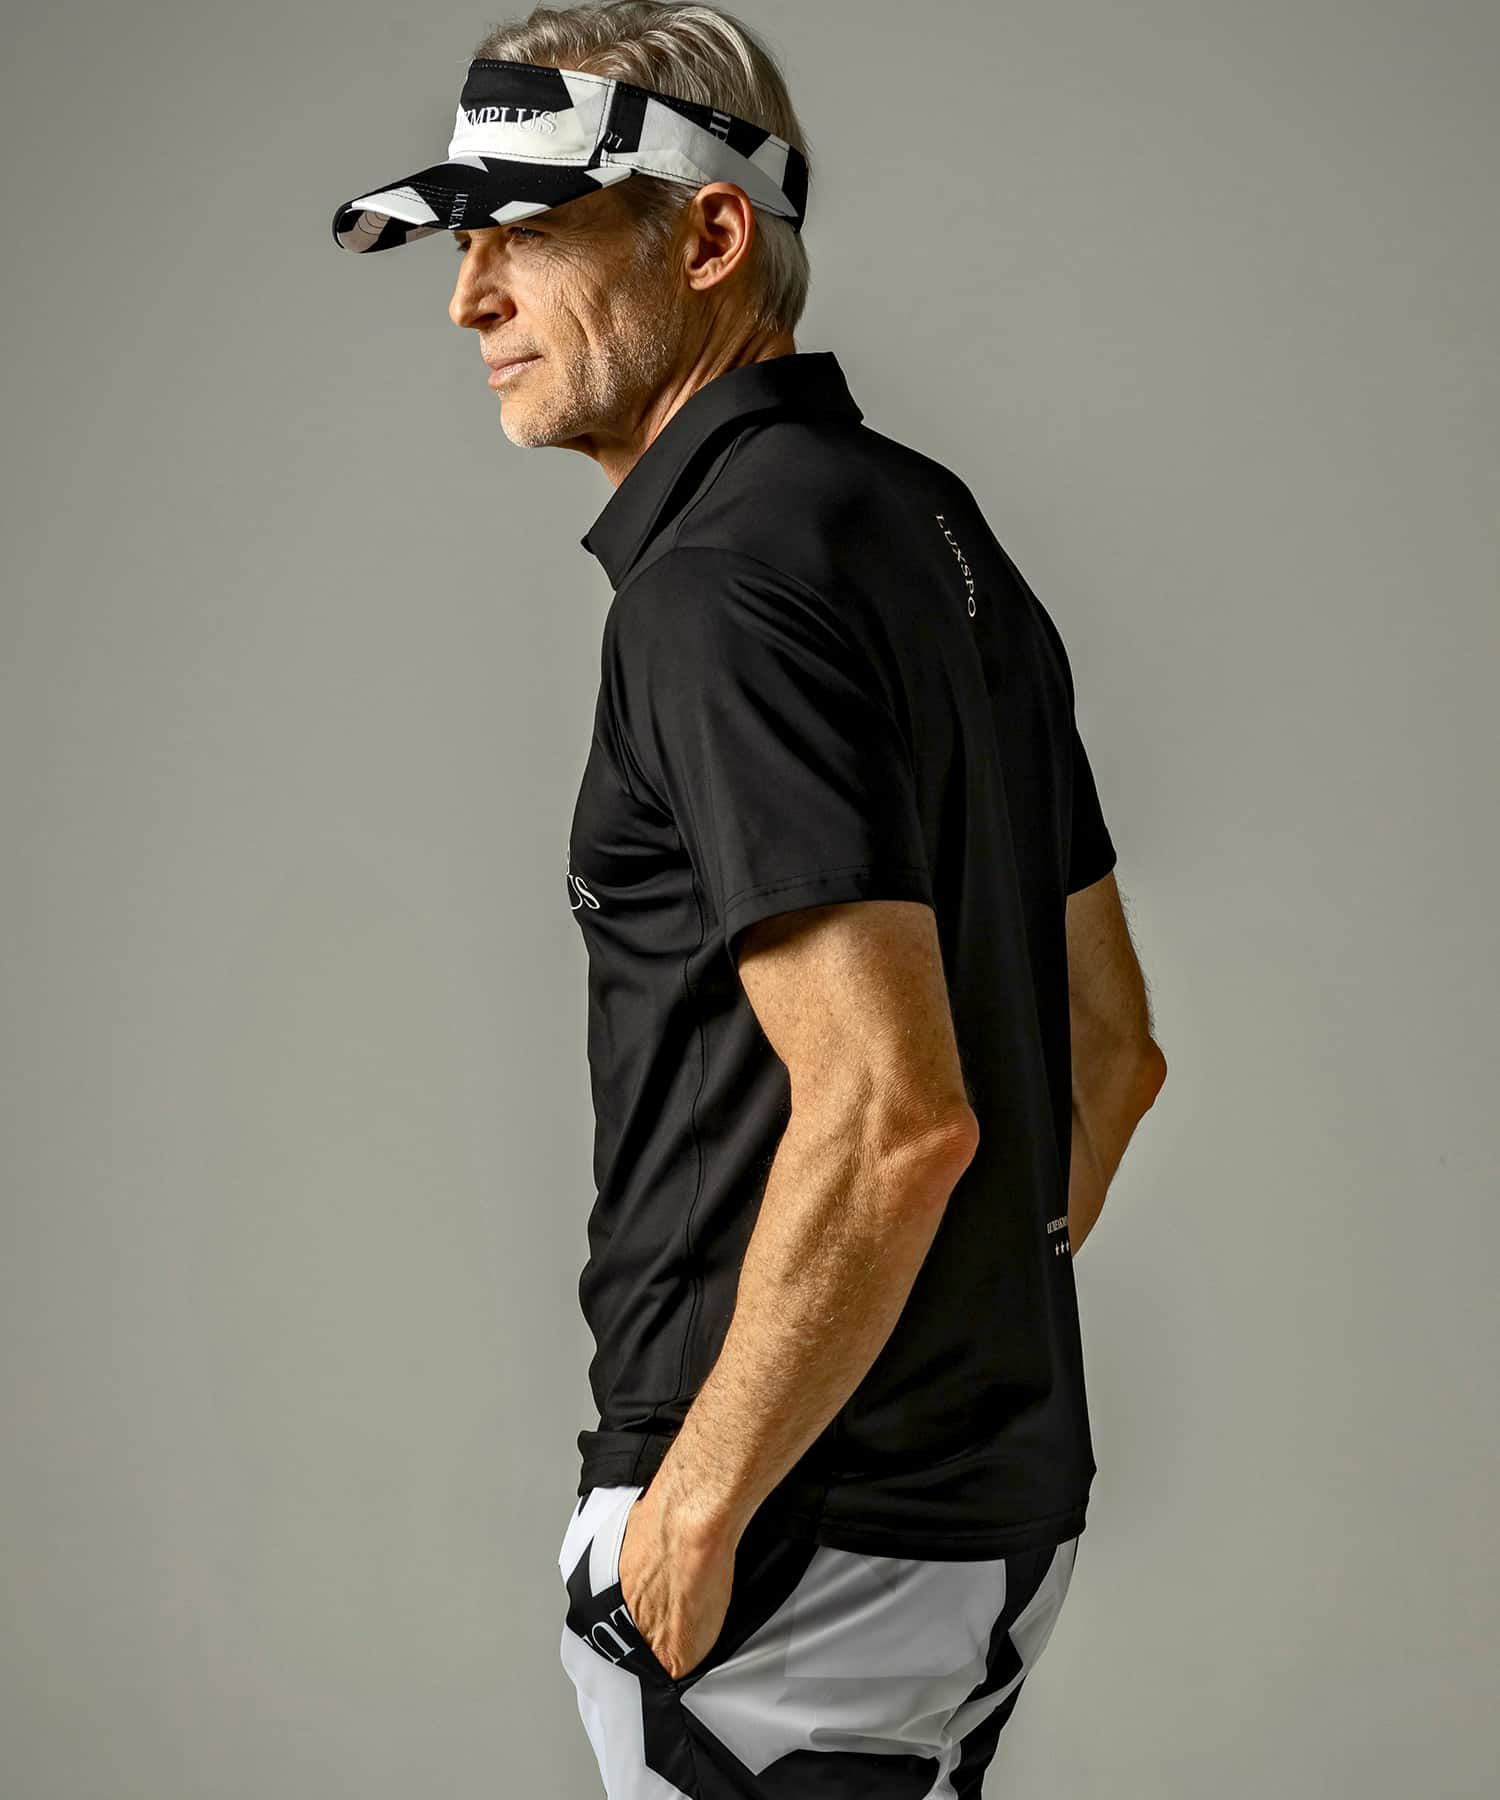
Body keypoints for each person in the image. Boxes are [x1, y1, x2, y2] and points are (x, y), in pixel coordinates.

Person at [331, 4, 1167, 1791]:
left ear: (709, 237)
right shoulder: (933, 532)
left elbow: (894, 1119)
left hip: (780, 1526)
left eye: (525, 235)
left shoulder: (712, 588)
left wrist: (700, 1504)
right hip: (975, 1520)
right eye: (461, 246)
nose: (468, 300)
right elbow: (1111, 1050)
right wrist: (933, 1373)